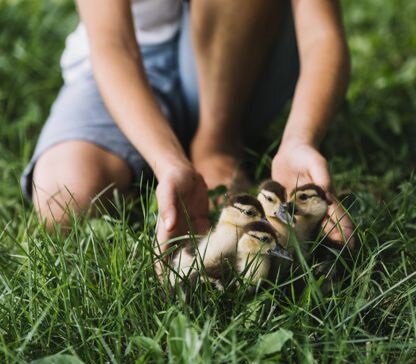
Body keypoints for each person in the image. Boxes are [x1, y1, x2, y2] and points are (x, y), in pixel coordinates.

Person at [20, 0, 354, 250]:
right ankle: (173, 155)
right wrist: (167, 164)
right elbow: (113, 44)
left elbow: (321, 34)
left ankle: (217, 144)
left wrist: (300, 139)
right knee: (63, 197)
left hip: (242, 44)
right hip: (133, 55)